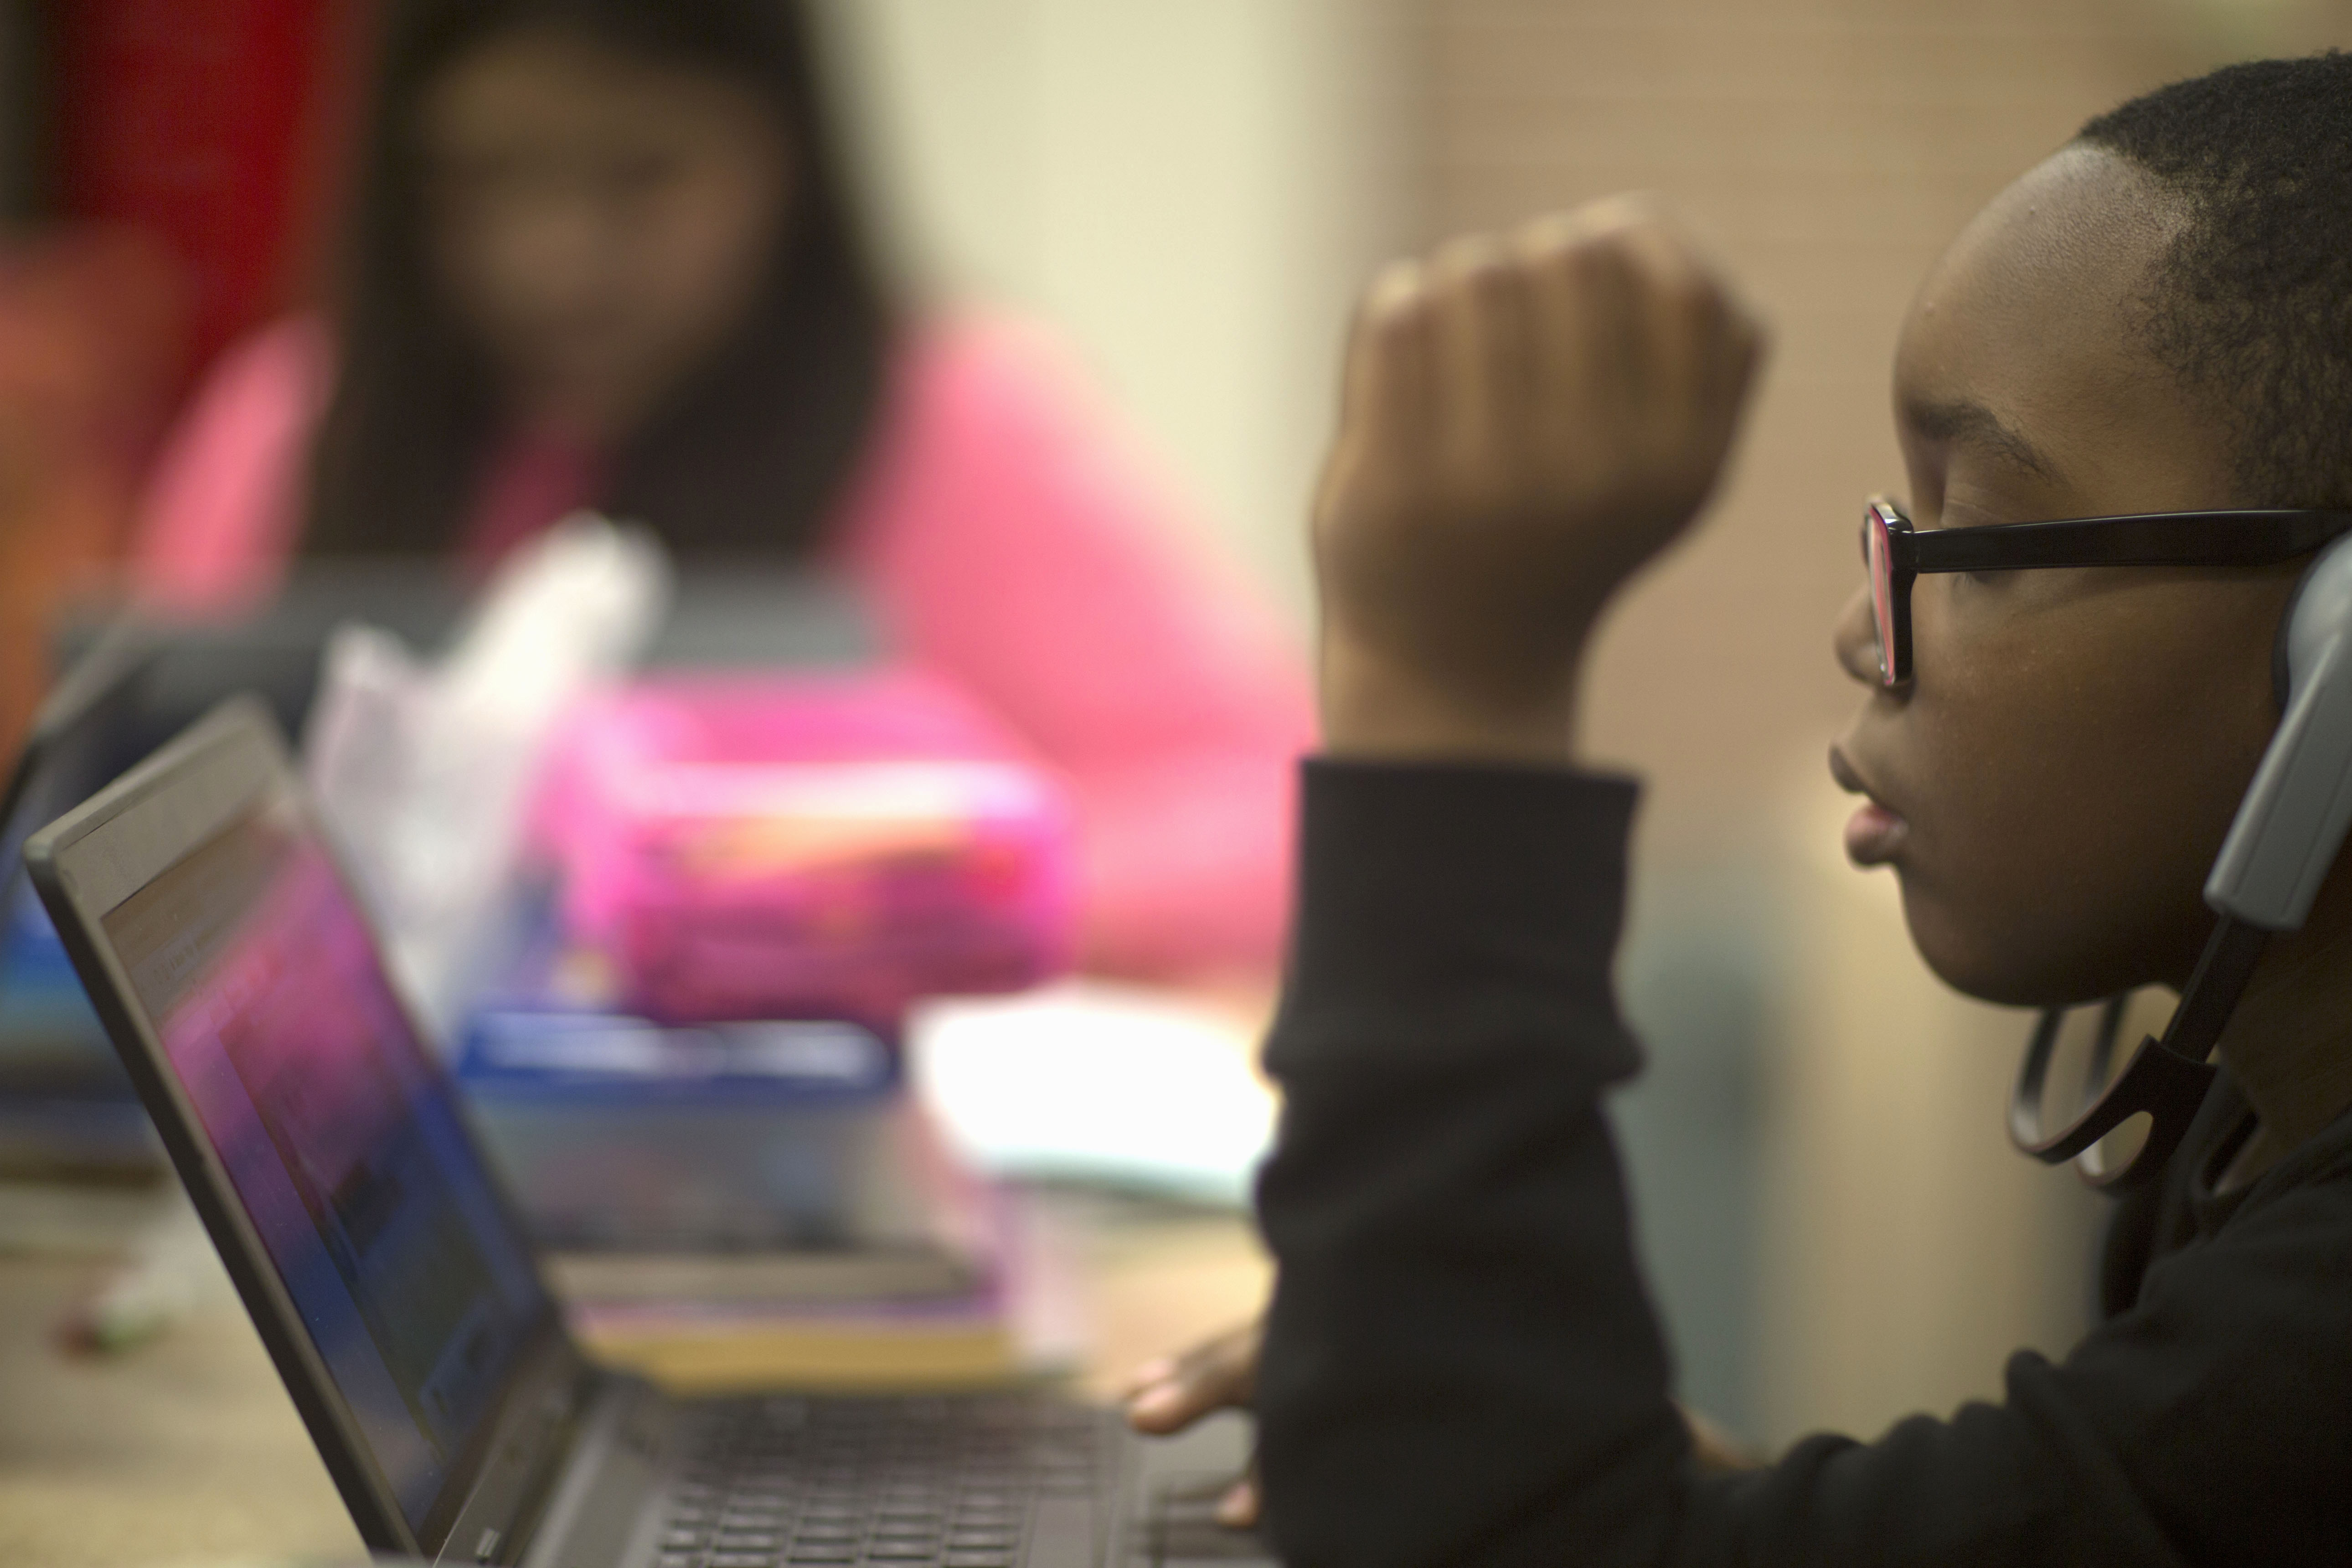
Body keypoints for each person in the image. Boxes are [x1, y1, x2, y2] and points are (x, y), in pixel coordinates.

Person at [1127, 55, 2352, 1564]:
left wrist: (1448, 687)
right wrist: (1570, 1467)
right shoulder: (2250, 1141)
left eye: (1986, 532)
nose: (1863, 633)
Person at [124, 0, 1311, 981]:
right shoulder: (286, 425)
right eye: (489, 175)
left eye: (642, 176)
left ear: (785, 158)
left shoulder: (958, 420)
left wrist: (914, 891)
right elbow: (140, 840)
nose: (558, 255)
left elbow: (1285, 822)